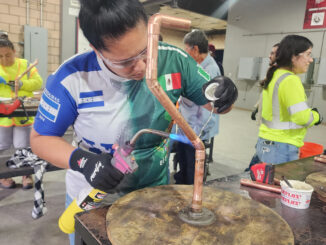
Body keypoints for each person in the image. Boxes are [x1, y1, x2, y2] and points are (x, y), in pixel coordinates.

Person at [29, 0, 237, 243]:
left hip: (153, 194)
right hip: (94, 196)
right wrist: (83, 161)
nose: (142, 67)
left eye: (146, 51)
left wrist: (225, 95)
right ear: (96, 50)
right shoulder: (72, 77)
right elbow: (40, 139)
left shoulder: (176, 60)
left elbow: (216, 104)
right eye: (125, 62)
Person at [248, 35, 322, 167]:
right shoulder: (290, 80)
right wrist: (316, 116)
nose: (310, 60)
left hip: (268, 142)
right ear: (294, 57)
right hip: (282, 147)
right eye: (308, 54)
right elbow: (302, 118)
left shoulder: (275, 75)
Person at [173, 29, 221, 184]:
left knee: (191, 161)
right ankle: (181, 179)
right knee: (182, 156)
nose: (185, 53)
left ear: (195, 49)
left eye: (186, 49)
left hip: (196, 127)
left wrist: (197, 133)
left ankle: (189, 188)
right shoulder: (196, 65)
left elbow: (208, 105)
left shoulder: (210, 70)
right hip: (186, 123)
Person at [0, 36, 43, 189]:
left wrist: (22, 83)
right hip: (3, 116)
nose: (4, 59)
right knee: (2, 146)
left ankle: (26, 174)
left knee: (22, 146)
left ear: (14, 51)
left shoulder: (25, 65)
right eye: (0, 56)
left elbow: (38, 82)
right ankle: (4, 176)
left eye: (8, 55)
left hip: (22, 113)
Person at [251, 43, 280, 122]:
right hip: (265, 122)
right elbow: (266, 94)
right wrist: (257, 108)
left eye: (272, 53)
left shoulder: (282, 75)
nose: (269, 56)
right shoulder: (272, 71)